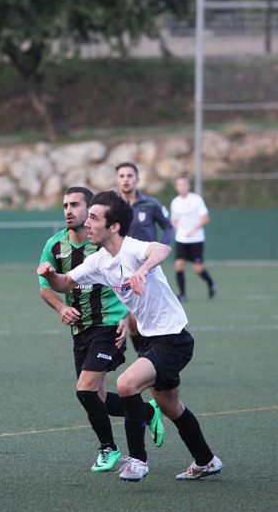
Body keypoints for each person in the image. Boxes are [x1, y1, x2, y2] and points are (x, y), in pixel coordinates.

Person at [38, 191, 222, 483]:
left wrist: (144, 271)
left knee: (126, 383)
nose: (88, 223)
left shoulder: (133, 248)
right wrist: (49, 275)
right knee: (171, 407)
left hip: (173, 338)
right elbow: (65, 282)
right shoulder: (99, 261)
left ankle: (137, 460)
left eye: (94, 218)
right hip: (150, 340)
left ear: (114, 227)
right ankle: (206, 460)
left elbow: (162, 249)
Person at [38, 187, 164, 473]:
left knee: (84, 390)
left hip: (109, 327)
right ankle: (147, 410)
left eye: (75, 205)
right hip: (80, 330)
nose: (68, 210)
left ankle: (109, 449)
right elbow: (48, 288)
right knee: (100, 400)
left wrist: (128, 316)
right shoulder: (55, 246)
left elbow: (140, 282)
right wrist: (61, 307)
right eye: (65, 205)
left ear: (91, 210)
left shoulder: (107, 243)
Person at [170, 176, 215, 301]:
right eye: (180, 185)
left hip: (196, 239)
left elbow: (205, 218)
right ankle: (183, 294)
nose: (182, 187)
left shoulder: (196, 200)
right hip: (181, 239)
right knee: (179, 265)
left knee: (197, 268)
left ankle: (211, 283)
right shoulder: (175, 202)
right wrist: (172, 229)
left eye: (184, 184)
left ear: (188, 186)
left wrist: (193, 229)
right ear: (176, 187)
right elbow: (174, 221)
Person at [115, 162, 174, 244]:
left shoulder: (151, 204)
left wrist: (163, 246)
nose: (125, 179)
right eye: (121, 176)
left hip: (147, 256)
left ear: (137, 180)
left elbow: (168, 227)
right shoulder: (111, 205)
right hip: (120, 256)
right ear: (117, 180)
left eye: (130, 176)